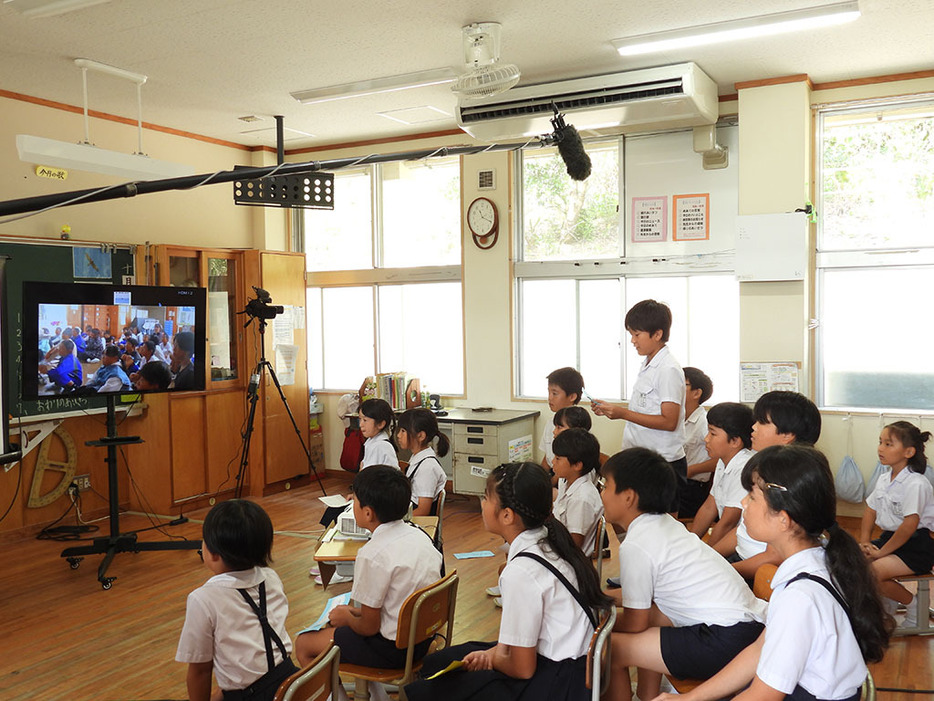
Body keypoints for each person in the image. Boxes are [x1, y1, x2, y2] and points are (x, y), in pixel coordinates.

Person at [654, 444, 892, 701]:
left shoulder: (800, 596)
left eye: (753, 496)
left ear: (784, 518)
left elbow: (763, 695)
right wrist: (689, 699)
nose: (744, 502)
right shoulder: (817, 559)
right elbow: (759, 649)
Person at [405, 462, 613, 701]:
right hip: (572, 665)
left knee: (430, 689)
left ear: (507, 515)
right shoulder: (550, 540)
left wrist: (492, 657)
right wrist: (493, 654)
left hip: (561, 683)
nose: (482, 503)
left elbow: (523, 668)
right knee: (439, 661)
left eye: (485, 497)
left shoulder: (521, 572)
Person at [601, 448, 766, 701]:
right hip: (747, 630)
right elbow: (643, 600)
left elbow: (636, 623)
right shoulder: (665, 525)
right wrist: (603, 599)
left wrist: (598, 625)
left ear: (628, 497)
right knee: (654, 618)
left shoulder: (637, 544)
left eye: (605, 486)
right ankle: (648, 696)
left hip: (723, 639)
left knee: (611, 648)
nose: (601, 493)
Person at [295, 466, 442, 676]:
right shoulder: (421, 536)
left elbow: (368, 627)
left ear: (367, 512)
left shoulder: (372, 554)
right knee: (341, 621)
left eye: (353, 501)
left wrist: (347, 617)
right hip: (423, 638)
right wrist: (353, 613)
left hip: (392, 650)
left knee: (303, 644)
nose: (351, 505)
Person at [176, 499, 298, 701]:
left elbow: (200, 672)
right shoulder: (271, 577)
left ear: (214, 554)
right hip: (289, 681)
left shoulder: (203, 598)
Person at [714, 391, 822, 582]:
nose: (753, 428)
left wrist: (722, 571)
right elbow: (741, 532)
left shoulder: (791, 477)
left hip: (759, 571)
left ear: (787, 434)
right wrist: (711, 556)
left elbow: (774, 556)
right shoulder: (765, 466)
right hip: (741, 561)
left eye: (762, 422)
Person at [592, 300, 686, 512]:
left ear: (657, 334)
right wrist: (612, 409)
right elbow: (645, 407)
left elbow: (669, 421)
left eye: (637, 334)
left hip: (662, 463)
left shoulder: (668, 369)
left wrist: (622, 413)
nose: (633, 341)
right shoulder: (649, 364)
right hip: (642, 458)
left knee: (662, 526)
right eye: (631, 334)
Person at [859, 420, 934, 629]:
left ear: (909, 452)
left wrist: (880, 554)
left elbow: (909, 527)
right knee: (852, 562)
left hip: (916, 546)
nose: (880, 448)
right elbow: (870, 510)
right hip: (889, 539)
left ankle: (914, 606)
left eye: (888, 444)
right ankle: (888, 602)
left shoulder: (916, 483)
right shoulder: (884, 479)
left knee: (872, 573)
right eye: (880, 442)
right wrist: (865, 542)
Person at [689, 402, 755, 547]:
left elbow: (728, 523)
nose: (706, 439)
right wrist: (690, 543)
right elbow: (709, 507)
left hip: (741, 546)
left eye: (712, 433)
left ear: (735, 441)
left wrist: (707, 555)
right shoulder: (723, 461)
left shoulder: (743, 467)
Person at [552, 427, 604, 554]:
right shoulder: (565, 482)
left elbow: (573, 546)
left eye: (558, 458)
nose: (553, 462)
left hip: (567, 560)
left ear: (577, 465)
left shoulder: (581, 498)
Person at [397, 408, 449, 516]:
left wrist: (397, 522)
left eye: (403, 431)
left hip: (418, 524)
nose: (398, 435)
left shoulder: (427, 467)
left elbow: (423, 511)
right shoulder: (417, 458)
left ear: (420, 436)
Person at [679, 367, 716, 519]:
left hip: (692, 489)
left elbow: (721, 459)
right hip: (676, 481)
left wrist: (690, 470)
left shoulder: (704, 422)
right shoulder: (676, 418)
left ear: (696, 393)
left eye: (681, 383)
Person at [541, 367, 585, 476]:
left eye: (555, 393)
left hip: (566, 476)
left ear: (572, 396)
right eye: (549, 392)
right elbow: (547, 458)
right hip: (554, 474)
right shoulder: (550, 423)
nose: (550, 398)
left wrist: (550, 484)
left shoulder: (578, 426)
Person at [359, 398, 399, 470]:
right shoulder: (372, 441)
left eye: (365, 420)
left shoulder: (380, 446)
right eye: (360, 419)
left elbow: (368, 476)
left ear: (380, 424)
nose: (361, 424)